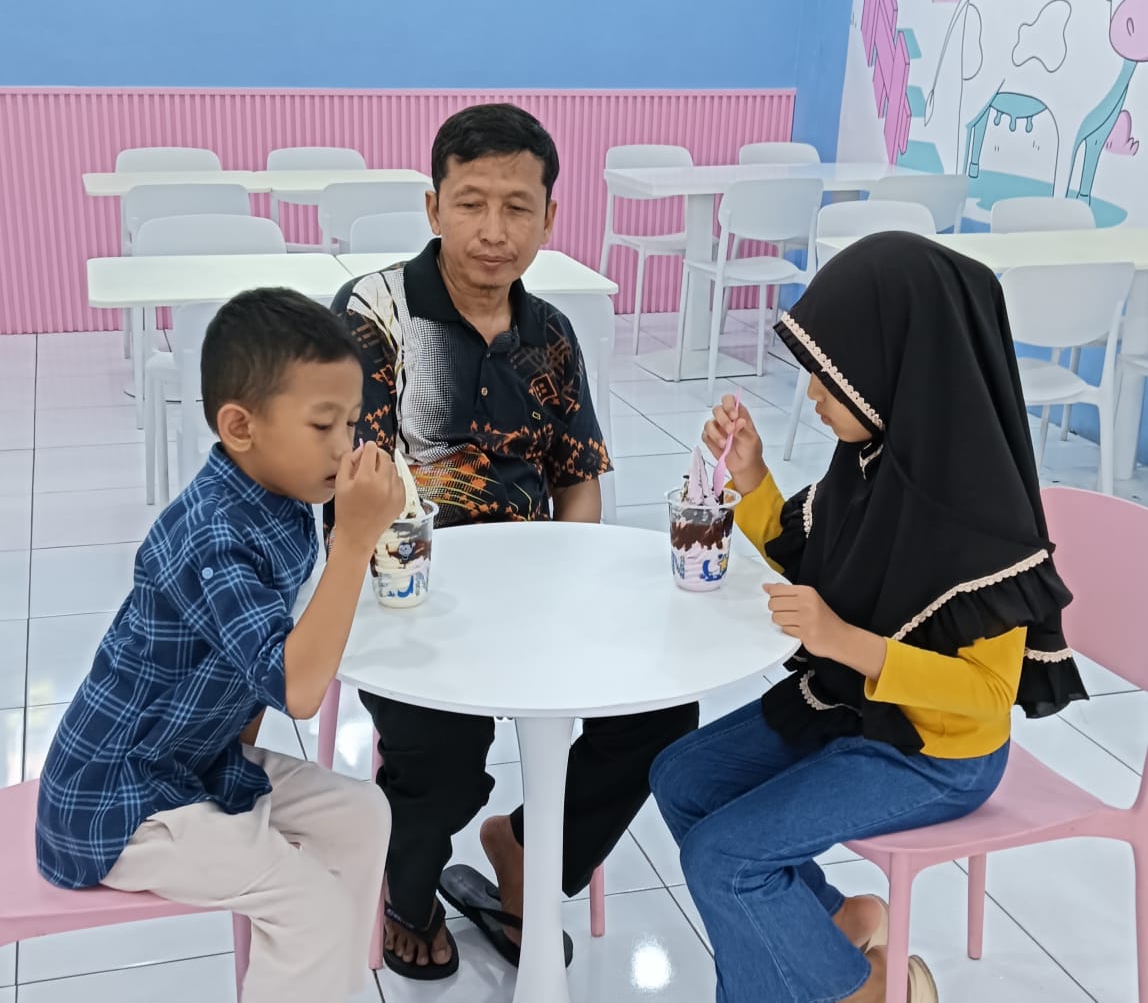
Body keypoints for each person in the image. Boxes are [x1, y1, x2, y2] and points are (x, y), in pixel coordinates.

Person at [650, 232, 1086, 1003]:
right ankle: (834, 924)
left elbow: (988, 695)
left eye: (831, 376)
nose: (814, 395)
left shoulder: (984, 517)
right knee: (681, 778)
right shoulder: (876, 462)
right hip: (854, 708)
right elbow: (814, 560)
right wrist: (752, 477)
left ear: (898, 371)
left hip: (937, 754)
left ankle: (867, 993)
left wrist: (845, 641)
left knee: (724, 860)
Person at [327, 102, 699, 979]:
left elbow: (577, 479)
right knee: (444, 761)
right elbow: (360, 489)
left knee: (660, 716)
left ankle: (527, 851)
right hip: (409, 593)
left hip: (536, 589)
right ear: (433, 207)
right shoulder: (376, 315)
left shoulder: (551, 334)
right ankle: (408, 893)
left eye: (517, 207)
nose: (493, 232)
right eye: (471, 203)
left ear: (549, 218)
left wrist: (571, 587)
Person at [36, 288, 405, 1003]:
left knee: (365, 815)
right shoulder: (214, 535)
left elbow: (254, 678)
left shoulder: (283, 501)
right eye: (323, 424)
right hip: (117, 800)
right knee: (311, 907)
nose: (346, 446)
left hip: (193, 760)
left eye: (352, 422)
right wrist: (356, 540)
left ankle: (327, 987)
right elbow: (298, 690)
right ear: (240, 427)